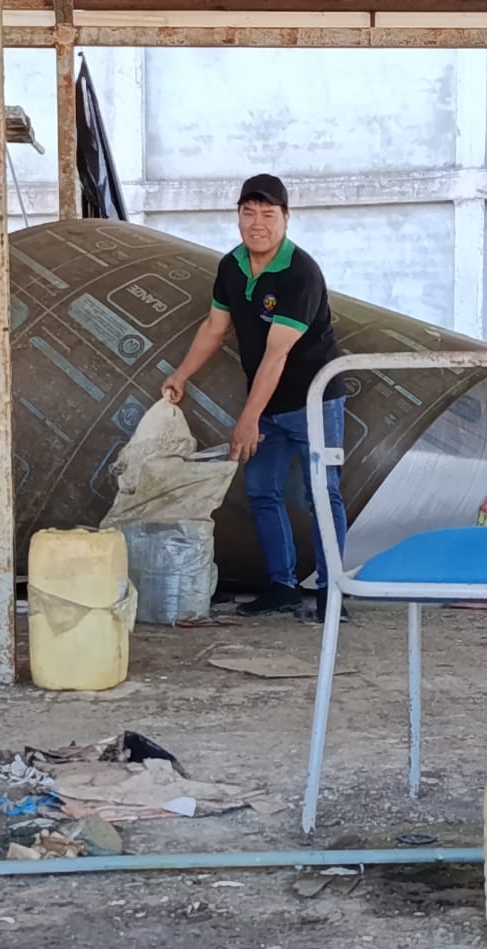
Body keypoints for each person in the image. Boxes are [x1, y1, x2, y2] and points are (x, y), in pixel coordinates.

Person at [161, 173, 348, 621]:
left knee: (322, 493)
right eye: (248, 213)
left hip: (314, 400)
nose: (257, 223)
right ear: (238, 216)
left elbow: (276, 355)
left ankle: (332, 594)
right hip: (268, 403)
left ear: (286, 218)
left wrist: (247, 420)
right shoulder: (232, 266)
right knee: (262, 491)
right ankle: (282, 587)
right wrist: (181, 374)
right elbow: (214, 328)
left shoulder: (300, 273)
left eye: (268, 214)